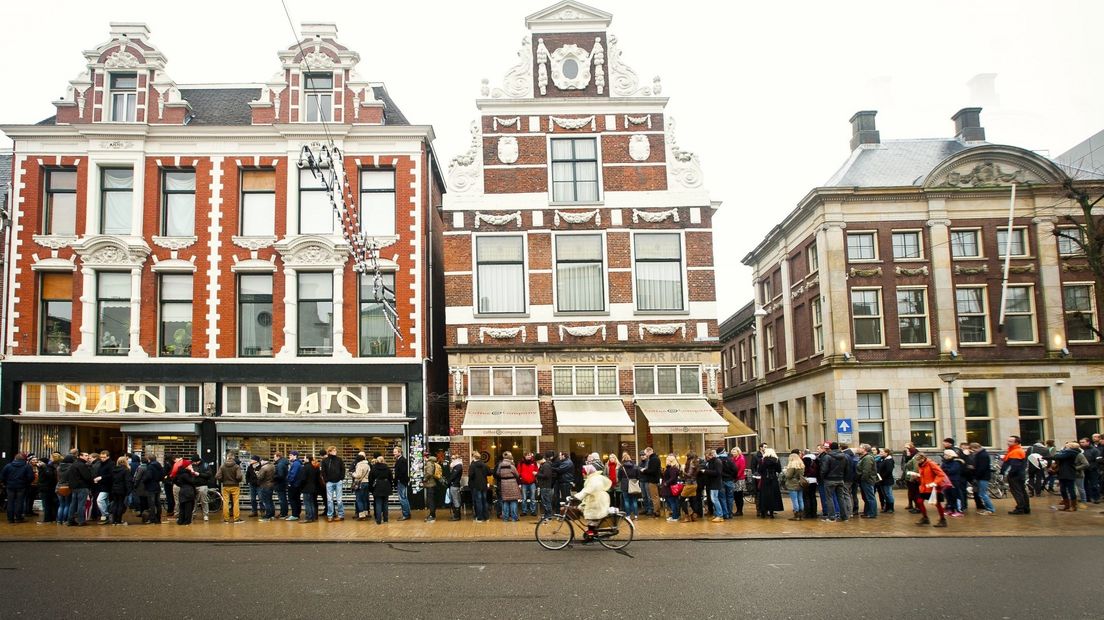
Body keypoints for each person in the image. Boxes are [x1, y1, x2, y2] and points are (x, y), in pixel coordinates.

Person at [574, 464, 612, 541]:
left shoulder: (593, 480)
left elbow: (588, 490)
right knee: (587, 513)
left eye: (584, 472)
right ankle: (591, 532)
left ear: (588, 472)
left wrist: (576, 496)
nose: (583, 474)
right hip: (597, 498)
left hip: (597, 500)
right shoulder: (596, 477)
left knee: (592, 516)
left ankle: (591, 533)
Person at [914, 453, 950, 527]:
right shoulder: (920, 465)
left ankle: (943, 520)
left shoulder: (931, 464)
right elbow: (923, 475)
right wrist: (917, 476)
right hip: (924, 487)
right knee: (919, 502)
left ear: (923, 458)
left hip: (933, 487)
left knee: (937, 504)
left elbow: (940, 474)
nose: (918, 462)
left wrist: (935, 482)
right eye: (917, 460)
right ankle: (925, 518)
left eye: (919, 460)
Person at [822, 442, 852, 522]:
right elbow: (847, 469)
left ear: (830, 448)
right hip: (840, 479)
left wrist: (823, 477)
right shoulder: (844, 456)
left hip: (829, 480)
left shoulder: (827, 457)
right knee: (841, 498)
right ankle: (844, 516)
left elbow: (824, 469)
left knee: (829, 498)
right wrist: (843, 478)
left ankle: (831, 516)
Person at [1, 453, 35, 523]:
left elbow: (2, 476)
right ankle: (18, 517)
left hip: (10, 486)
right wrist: (26, 483)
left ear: (15, 458)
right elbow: (31, 477)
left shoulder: (8, 466)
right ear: (24, 459)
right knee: (20, 502)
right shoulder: (27, 466)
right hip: (22, 487)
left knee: (10, 502)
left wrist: (5, 483)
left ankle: (10, 519)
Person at [1049, 442, 1082, 512]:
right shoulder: (1065, 453)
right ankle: (1066, 505)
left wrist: (1055, 455)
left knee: (1071, 490)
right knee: (1063, 490)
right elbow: (1057, 456)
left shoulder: (1072, 453)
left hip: (1069, 473)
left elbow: (1058, 456)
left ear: (1071, 447)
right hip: (1062, 473)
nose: (1065, 447)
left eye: (1066, 446)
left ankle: (1073, 506)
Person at [1002, 435, 1030, 515]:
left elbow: (1014, 466)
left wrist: (1009, 474)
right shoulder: (1015, 450)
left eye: (1010, 441)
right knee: (1022, 491)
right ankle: (1025, 507)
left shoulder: (1016, 451)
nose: (1008, 443)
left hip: (1015, 475)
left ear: (1016, 442)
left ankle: (1020, 508)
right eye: (1008, 441)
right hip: (1019, 475)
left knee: (1017, 491)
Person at [67, 452, 94, 526]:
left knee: (73, 504)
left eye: (88, 455)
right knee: (81, 504)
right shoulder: (82, 465)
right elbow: (87, 476)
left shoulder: (74, 464)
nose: (87, 457)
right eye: (85, 455)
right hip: (82, 487)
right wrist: (92, 482)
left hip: (74, 487)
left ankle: (70, 520)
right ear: (80, 456)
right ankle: (81, 521)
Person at [216, 452, 244, 523]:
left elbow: (217, 476)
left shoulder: (222, 466)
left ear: (227, 458)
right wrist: (238, 480)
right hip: (235, 486)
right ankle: (236, 519)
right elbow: (239, 476)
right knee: (236, 502)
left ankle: (226, 519)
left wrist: (223, 480)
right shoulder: (236, 466)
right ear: (233, 458)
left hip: (225, 486)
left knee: (225, 502)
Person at [757, 448, 784, 519]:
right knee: (773, 495)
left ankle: (763, 512)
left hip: (765, 479)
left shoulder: (762, 460)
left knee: (764, 496)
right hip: (773, 479)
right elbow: (779, 470)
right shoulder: (776, 460)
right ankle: (771, 513)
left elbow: (759, 470)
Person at [968, 443, 994, 515]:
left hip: (983, 477)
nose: (973, 451)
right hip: (982, 476)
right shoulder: (981, 454)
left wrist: (976, 474)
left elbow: (982, 468)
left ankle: (990, 509)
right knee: (982, 493)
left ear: (976, 448)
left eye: (973, 449)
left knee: (983, 494)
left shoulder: (983, 455)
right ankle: (988, 508)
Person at [321, 446, 345, 522]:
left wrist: (341, 478)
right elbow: (323, 471)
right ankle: (330, 515)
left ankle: (341, 515)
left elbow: (343, 469)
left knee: (339, 500)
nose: (335, 451)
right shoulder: (325, 460)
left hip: (338, 481)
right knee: (330, 500)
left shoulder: (339, 460)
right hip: (329, 482)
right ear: (329, 451)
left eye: (335, 450)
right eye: (333, 450)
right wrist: (326, 480)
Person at [496, 451, 521, 522]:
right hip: (512, 484)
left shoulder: (500, 465)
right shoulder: (511, 465)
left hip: (503, 484)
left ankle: (505, 518)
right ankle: (514, 517)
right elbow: (517, 475)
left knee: (505, 501)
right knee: (513, 501)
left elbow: (498, 473)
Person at [701, 450, 725, 522]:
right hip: (712, 483)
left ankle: (720, 515)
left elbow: (718, 473)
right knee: (713, 499)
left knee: (715, 499)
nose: (706, 457)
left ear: (711, 455)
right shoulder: (712, 462)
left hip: (715, 483)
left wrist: (705, 471)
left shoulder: (717, 461)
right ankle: (716, 514)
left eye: (707, 455)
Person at [940, 449, 966, 517]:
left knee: (956, 495)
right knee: (948, 496)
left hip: (954, 481)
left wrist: (945, 470)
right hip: (946, 481)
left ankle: (958, 510)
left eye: (946, 455)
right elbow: (941, 470)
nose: (944, 456)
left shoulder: (956, 462)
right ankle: (950, 509)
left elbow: (952, 471)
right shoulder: (945, 462)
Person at [855, 444, 878, 519]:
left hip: (867, 480)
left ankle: (872, 513)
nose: (858, 449)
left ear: (864, 449)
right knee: (866, 497)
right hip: (864, 480)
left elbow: (866, 471)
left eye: (860, 448)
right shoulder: (863, 457)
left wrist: (863, 479)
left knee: (870, 497)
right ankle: (867, 512)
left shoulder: (867, 458)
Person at [36, 453, 60, 524]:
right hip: (51, 488)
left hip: (46, 488)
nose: (38, 463)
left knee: (46, 504)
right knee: (52, 504)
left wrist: (43, 467)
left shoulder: (47, 468)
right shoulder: (52, 467)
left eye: (40, 462)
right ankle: (53, 518)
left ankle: (47, 519)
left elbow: (48, 476)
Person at [782, 451, 806, 521]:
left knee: (794, 500)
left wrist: (785, 471)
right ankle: (801, 514)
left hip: (792, 484)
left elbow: (788, 476)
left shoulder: (792, 465)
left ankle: (796, 515)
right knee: (800, 499)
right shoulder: (801, 465)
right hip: (800, 483)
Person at [369, 456, 393, 524]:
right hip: (386, 485)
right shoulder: (387, 468)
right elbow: (391, 478)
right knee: (385, 503)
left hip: (377, 486)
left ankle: (378, 520)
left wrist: (371, 488)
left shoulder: (374, 468)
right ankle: (385, 519)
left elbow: (370, 479)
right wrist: (391, 487)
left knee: (378, 503)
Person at [107, 456, 131, 525]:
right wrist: (129, 490)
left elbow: (111, 480)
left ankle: (114, 520)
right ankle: (118, 520)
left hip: (114, 489)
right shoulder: (126, 470)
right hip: (122, 489)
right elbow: (127, 481)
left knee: (115, 503)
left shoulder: (113, 469)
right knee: (120, 504)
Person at [191, 454, 214, 522]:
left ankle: (205, 515)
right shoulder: (191, 465)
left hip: (202, 485)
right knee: (193, 501)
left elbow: (209, 475)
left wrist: (199, 474)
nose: (193, 463)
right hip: (193, 485)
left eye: (194, 462)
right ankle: (193, 515)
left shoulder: (205, 465)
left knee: (204, 501)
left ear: (198, 461)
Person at [616, 453, 640, 518]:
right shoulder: (635, 466)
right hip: (633, 485)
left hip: (624, 485)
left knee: (626, 500)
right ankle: (635, 515)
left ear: (623, 459)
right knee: (634, 500)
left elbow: (619, 477)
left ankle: (628, 515)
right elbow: (638, 476)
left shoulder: (621, 467)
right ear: (630, 458)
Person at [142, 455, 164, 524]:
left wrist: (143, 480)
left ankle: (152, 519)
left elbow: (148, 476)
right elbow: (162, 476)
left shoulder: (150, 467)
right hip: (157, 486)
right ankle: (158, 518)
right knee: (158, 503)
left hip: (151, 487)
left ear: (149, 459)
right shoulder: (159, 466)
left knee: (151, 504)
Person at [92, 451, 113, 523]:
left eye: (104, 457)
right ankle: (108, 515)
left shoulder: (111, 464)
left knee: (99, 500)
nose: (102, 459)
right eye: (101, 457)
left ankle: (105, 515)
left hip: (107, 485)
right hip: (101, 485)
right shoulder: (101, 464)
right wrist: (97, 478)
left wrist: (101, 477)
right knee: (105, 501)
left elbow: (111, 475)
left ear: (108, 457)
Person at [175, 461, 198, 526]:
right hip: (188, 492)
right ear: (186, 467)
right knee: (188, 508)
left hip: (182, 491)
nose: (191, 466)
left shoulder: (180, 473)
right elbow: (193, 481)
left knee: (182, 508)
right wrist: (192, 472)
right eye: (190, 465)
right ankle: (187, 522)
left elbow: (174, 480)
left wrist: (181, 485)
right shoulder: (186, 474)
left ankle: (180, 521)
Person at [639, 448, 661, 518]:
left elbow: (652, 471)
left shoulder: (653, 459)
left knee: (653, 497)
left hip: (652, 481)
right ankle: (655, 511)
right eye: (641, 455)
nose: (644, 455)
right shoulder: (654, 459)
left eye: (645, 454)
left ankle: (655, 512)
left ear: (649, 452)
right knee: (653, 497)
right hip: (651, 480)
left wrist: (644, 470)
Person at [660, 454, 682, 522]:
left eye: (667, 460)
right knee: (673, 502)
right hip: (670, 487)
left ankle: (675, 516)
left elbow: (673, 478)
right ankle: (676, 515)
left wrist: (666, 483)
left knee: (672, 502)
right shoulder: (672, 468)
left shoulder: (672, 468)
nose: (666, 461)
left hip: (670, 488)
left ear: (670, 461)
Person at [469, 453, 491, 522]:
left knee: (478, 501)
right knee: (484, 501)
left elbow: (470, 475)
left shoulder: (472, 465)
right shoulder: (484, 465)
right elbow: (489, 473)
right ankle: (486, 517)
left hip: (476, 485)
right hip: (484, 485)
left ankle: (479, 518)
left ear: (474, 457)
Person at [516, 452, 538, 517]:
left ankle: (533, 511)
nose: (529, 456)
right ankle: (524, 511)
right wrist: (519, 482)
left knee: (533, 498)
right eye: (528, 455)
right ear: (525, 456)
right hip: (523, 483)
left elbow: (537, 471)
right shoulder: (521, 463)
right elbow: (518, 472)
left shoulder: (534, 463)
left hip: (532, 482)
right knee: (524, 498)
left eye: (530, 455)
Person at [680, 451, 700, 521]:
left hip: (689, 484)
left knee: (681, 499)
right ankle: (694, 515)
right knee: (693, 499)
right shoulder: (696, 462)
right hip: (695, 484)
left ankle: (686, 516)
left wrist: (683, 470)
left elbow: (689, 474)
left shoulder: (690, 462)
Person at [901, 442, 920, 512]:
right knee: (910, 491)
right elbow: (904, 462)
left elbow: (915, 467)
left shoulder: (916, 455)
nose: (906, 449)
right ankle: (911, 504)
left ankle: (917, 506)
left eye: (907, 448)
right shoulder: (905, 453)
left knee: (915, 491)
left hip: (913, 475)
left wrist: (913, 476)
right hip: (907, 474)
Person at [55, 453, 74, 525]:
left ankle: (59, 520)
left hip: (59, 487)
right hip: (67, 487)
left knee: (61, 505)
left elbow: (57, 478)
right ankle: (65, 520)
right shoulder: (71, 467)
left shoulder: (59, 467)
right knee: (67, 504)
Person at [300, 455, 319, 523]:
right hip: (313, 487)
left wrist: (301, 486)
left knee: (307, 503)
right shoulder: (313, 467)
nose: (303, 459)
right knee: (311, 503)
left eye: (304, 458)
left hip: (306, 488)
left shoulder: (305, 467)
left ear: (307, 459)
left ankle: (308, 517)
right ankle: (313, 517)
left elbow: (303, 479)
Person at [393, 447, 411, 521]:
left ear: (399, 452)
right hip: (402, 481)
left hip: (401, 481)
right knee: (404, 498)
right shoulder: (401, 460)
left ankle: (405, 514)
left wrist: (397, 479)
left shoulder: (402, 460)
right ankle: (407, 513)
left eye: (395, 452)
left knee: (402, 498)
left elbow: (402, 472)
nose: (394, 453)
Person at [352, 453, 372, 521]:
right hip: (367, 482)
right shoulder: (367, 465)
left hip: (360, 483)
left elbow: (358, 475)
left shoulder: (359, 465)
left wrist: (353, 474)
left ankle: (361, 515)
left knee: (359, 499)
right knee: (365, 499)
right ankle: (366, 513)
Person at [256, 456, 276, 521]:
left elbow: (260, 477)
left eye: (261, 461)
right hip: (271, 485)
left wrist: (257, 474)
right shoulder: (272, 466)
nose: (260, 462)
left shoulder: (264, 467)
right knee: (270, 501)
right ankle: (272, 515)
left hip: (265, 485)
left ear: (264, 460)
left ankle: (267, 516)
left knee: (266, 501)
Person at [801, 450, 820, 519]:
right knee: (813, 496)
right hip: (814, 480)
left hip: (806, 480)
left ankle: (807, 513)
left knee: (806, 497)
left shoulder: (804, 460)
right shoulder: (816, 460)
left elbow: (803, 471)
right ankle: (814, 513)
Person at [876, 448, 896, 514]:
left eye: (882, 452)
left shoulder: (889, 460)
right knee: (885, 494)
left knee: (888, 494)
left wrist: (882, 477)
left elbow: (889, 471)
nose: (880, 453)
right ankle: (887, 507)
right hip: (882, 480)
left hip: (887, 480)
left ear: (886, 453)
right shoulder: (883, 459)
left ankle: (891, 508)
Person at [423, 455, 441, 522]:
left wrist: (425, 478)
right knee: (432, 500)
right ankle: (432, 514)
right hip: (433, 484)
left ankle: (432, 516)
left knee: (431, 501)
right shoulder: (433, 462)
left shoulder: (429, 463)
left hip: (430, 484)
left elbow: (429, 473)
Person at [285, 452, 302, 521]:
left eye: (291, 455)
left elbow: (293, 474)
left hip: (293, 485)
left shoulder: (296, 464)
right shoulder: (298, 463)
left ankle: (295, 515)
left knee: (293, 499)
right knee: (297, 499)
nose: (289, 456)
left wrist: (289, 482)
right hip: (297, 484)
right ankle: (297, 513)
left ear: (295, 456)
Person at [448, 454, 464, 521]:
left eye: (453, 458)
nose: (452, 459)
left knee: (455, 500)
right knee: (455, 500)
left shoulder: (458, 466)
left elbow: (453, 476)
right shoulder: (457, 466)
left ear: (456, 459)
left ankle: (457, 516)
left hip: (454, 485)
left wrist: (448, 481)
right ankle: (456, 515)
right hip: (454, 485)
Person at [273, 451, 289, 519]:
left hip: (280, 484)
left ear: (278, 456)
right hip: (283, 483)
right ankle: (283, 513)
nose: (274, 458)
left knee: (282, 499)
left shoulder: (280, 464)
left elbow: (280, 475)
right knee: (283, 499)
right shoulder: (283, 463)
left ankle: (283, 514)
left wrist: (273, 476)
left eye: (274, 457)